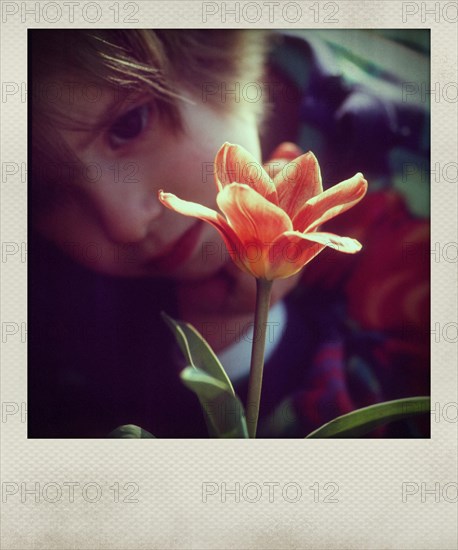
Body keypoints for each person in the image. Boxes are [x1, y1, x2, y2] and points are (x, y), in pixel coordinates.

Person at [28, 29, 430, 438]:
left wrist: (245, 334)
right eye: (44, 194)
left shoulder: (419, 184)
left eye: (130, 124)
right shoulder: (41, 294)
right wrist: (224, 331)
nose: (126, 225)